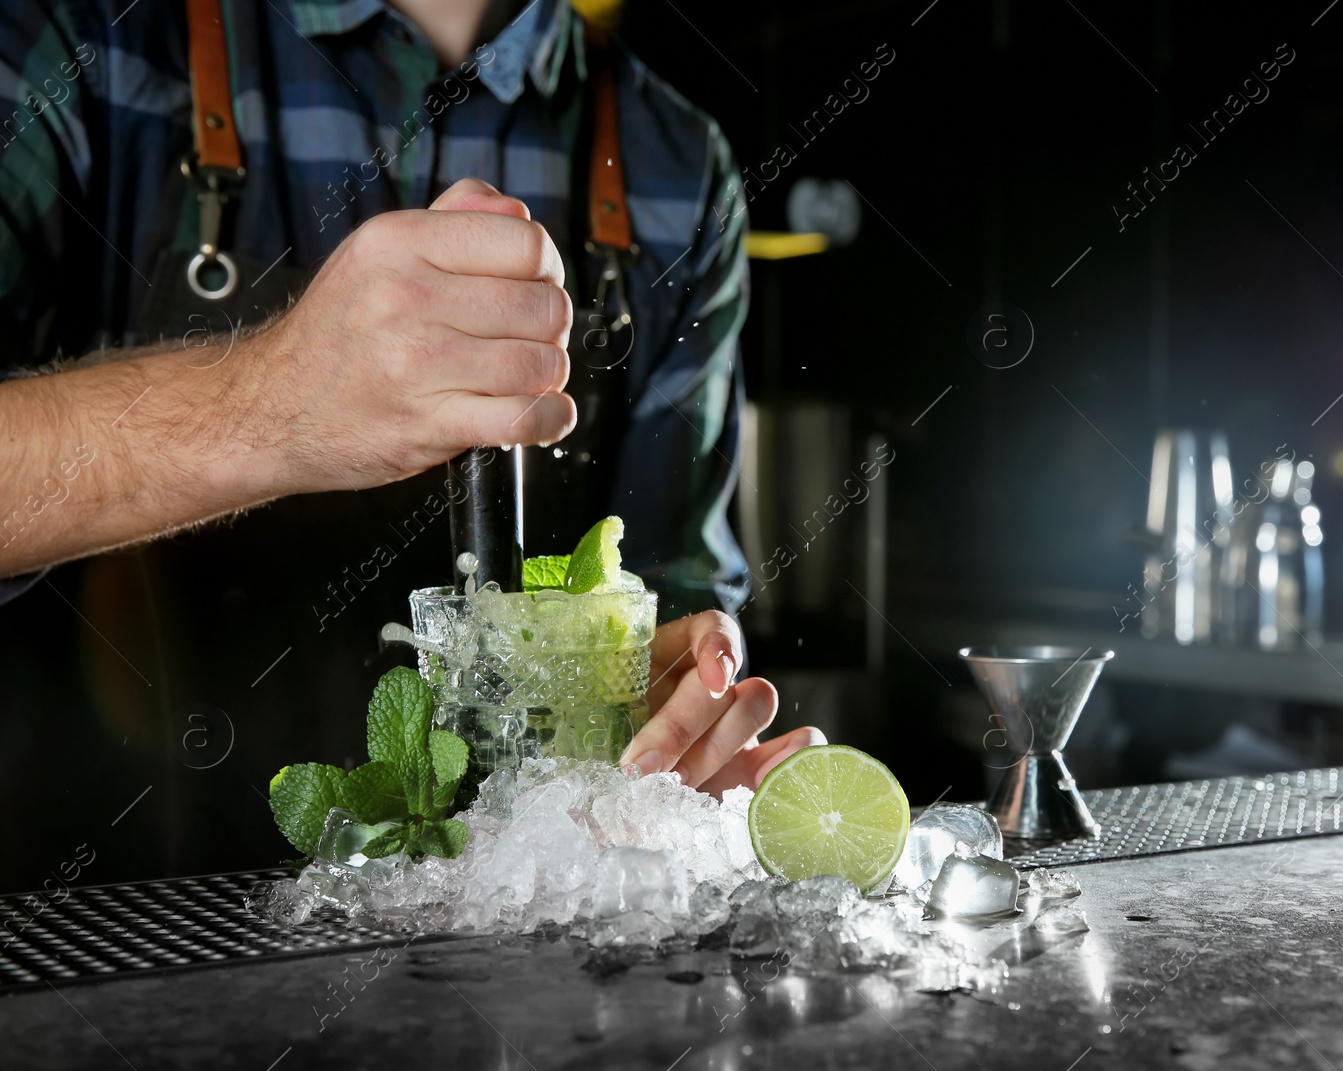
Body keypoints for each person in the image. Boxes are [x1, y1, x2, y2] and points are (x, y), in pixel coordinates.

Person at [0, 0, 821, 796]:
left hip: (496, 921)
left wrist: (677, 707)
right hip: (121, 910)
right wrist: (269, 400)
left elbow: (668, 581)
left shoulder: (679, 165)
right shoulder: (81, 38)